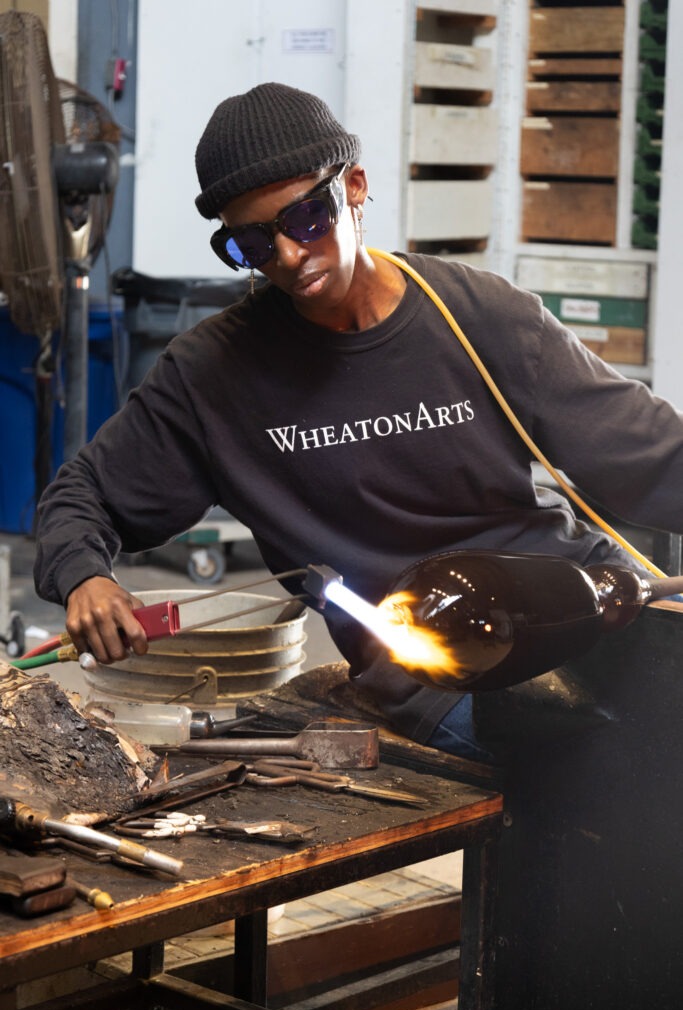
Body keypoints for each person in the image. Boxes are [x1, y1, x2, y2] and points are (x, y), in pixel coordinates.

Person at [34, 82, 683, 762]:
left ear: (356, 187)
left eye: (306, 218)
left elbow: (648, 453)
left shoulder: (476, 316)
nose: (287, 255)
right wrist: (87, 577)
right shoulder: (215, 375)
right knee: (621, 769)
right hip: (437, 670)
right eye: (251, 243)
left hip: (591, 600)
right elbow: (83, 496)